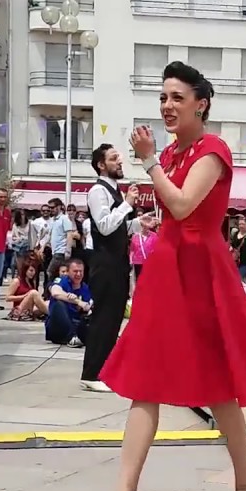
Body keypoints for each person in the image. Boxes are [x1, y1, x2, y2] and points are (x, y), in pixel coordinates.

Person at [92, 61, 246, 491]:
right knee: (143, 380)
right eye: (163, 97)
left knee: (218, 384)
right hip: (167, 271)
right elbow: (172, 213)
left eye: (177, 97)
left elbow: (182, 205)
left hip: (201, 274)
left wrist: (149, 162)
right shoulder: (173, 153)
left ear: (202, 104)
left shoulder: (212, 150)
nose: (167, 105)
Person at [81, 143, 145, 392]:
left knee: (115, 317)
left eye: (119, 157)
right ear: (101, 165)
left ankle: (105, 371)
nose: (119, 161)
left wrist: (138, 224)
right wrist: (127, 204)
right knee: (104, 318)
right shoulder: (98, 191)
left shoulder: (114, 190)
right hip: (104, 263)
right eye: (113, 158)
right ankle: (92, 373)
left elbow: (118, 228)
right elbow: (105, 226)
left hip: (117, 262)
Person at [46, 258, 92, 347]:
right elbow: (55, 292)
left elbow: (87, 306)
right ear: (68, 272)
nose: (78, 274)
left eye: (81, 271)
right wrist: (76, 301)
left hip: (76, 324)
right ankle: (71, 336)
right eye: (75, 271)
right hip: (58, 326)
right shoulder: (62, 281)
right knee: (59, 304)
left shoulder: (85, 288)